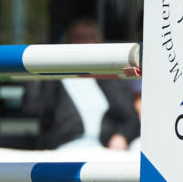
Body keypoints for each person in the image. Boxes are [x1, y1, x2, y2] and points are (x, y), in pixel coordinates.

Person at [21, 17, 140, 150]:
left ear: (98, 42)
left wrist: (122, 136)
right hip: (65, 149)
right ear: (68, 42)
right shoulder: (55, 79)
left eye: (90, 38)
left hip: (104, 149)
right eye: (79, 38)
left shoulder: (109, 79)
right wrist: (37, 63)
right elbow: (32, 108)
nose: (85, 43)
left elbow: (131, 119)